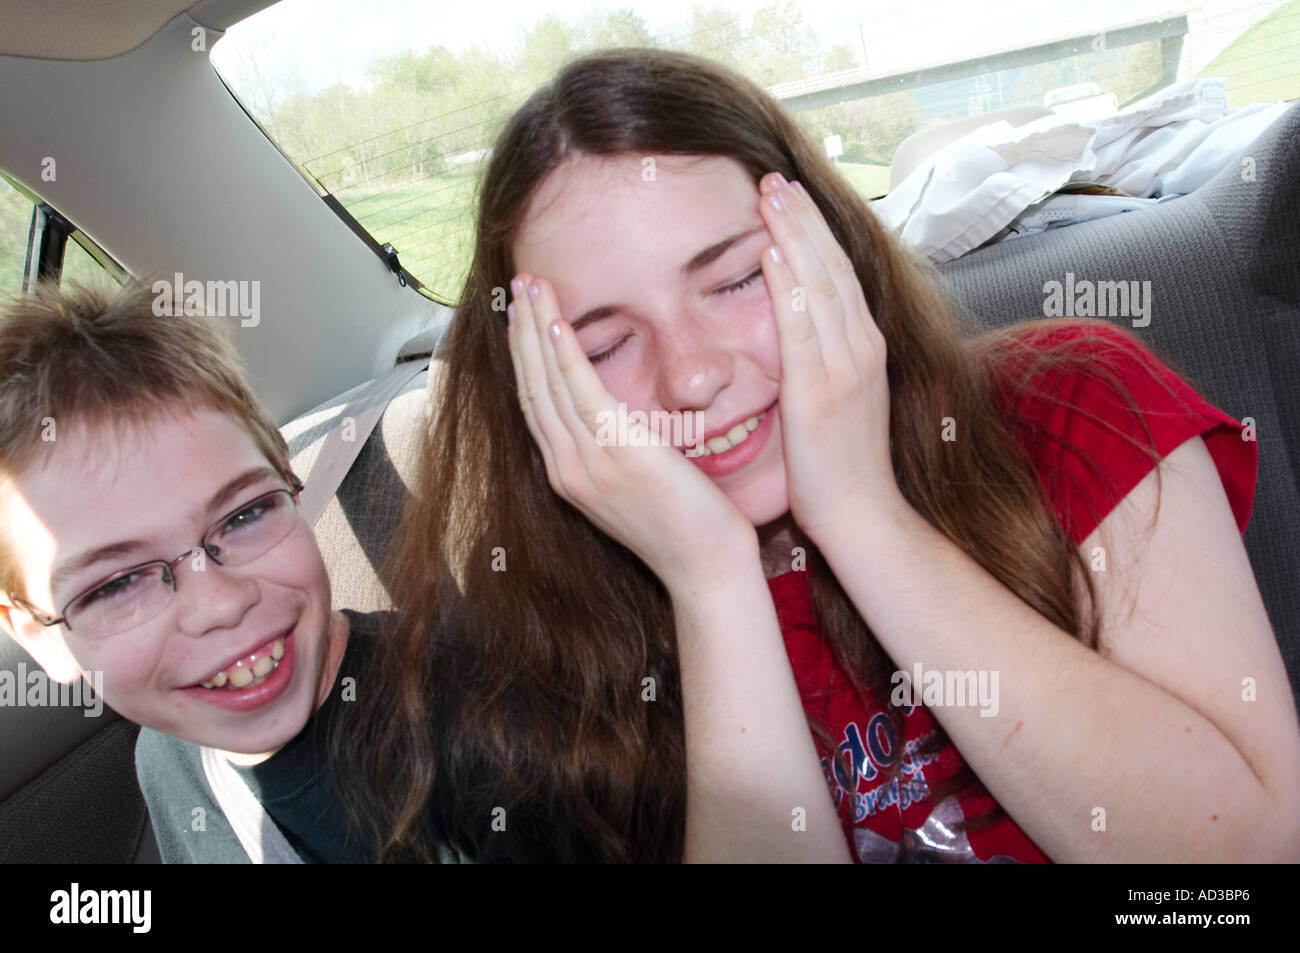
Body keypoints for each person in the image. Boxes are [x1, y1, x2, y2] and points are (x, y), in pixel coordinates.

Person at [336, 48, 1300, 863]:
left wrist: (861, 513)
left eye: (735, 279)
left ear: (832, 247)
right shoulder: (569, 635)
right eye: (603, 346)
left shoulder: (1075, 400)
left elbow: (1246, 857)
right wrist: (710, 581)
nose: (693, 377)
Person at [0, 280, 378, 863]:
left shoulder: (493, 722)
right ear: (40, 639)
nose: (220, 605)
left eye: (245, 514)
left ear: (288, 478)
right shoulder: (166, 756)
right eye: (115, 584)